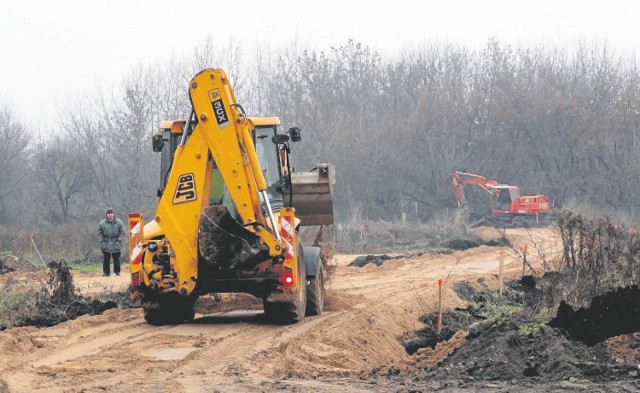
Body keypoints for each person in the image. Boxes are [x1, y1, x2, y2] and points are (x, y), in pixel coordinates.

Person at [97, 208, 126, 277]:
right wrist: (102, 241)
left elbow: (123, 232)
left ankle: (117, 272)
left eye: (111, 213)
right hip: (106, 243)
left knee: (116, 259)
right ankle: (106, 273)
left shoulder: (119, 222)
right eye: (108, 214)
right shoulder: (102, 223)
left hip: (116, 242)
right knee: (106, 259)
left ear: (113, 214)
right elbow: (99, 233)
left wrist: (119, 240)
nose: (110, 215)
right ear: (106, 215)